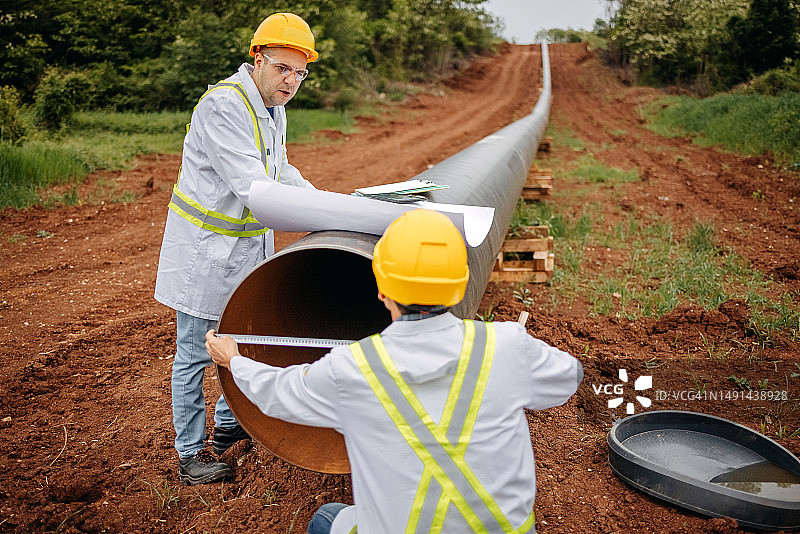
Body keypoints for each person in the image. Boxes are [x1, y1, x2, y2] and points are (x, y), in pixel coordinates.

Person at [206, 209, 583, 533]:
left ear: (382, 289)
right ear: (459, 285)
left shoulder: (353, 368)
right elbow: (569, 377)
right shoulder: (505, 346)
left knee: (326, 519)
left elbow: (278, 392)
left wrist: (235, 359)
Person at [154, 12, 319, 485]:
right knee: (194, 354)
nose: (292, 80)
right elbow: (252, 184)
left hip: (247, 247)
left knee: (248, 336)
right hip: (206, 252)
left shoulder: (274, 108)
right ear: (258, 58)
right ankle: (190, 454)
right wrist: (314, 214)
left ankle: (229, 427)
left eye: (300, 72)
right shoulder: (224, 106)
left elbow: (280, 171)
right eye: (284, 68)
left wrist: (323, 202)